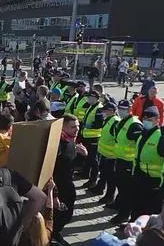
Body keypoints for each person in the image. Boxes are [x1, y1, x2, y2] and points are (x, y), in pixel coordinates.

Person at [52, 114, 87, 245]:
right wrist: (54, 194)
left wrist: (83, 156)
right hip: (57, 187)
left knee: (67, 214)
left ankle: (56, 232)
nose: (77, 129)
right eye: (73, 127)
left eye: (78, 126)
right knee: (57, 215)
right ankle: (51, 235)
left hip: (68, 184)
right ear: (63, 127)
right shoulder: (57, 145)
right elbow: (50, 171)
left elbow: (73, 165)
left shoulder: (72, 141)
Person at [111, 99, 144, 224]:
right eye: (120, 108)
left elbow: (139, 144)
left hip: (129, 162)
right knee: (120, 184)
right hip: (120, 159)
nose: (121, 111)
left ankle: (124, 214)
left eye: (124, 109)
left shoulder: (135, 124)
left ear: (130, 110)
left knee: (126, 190)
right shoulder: (123, 121)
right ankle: (119, 203)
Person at [94, 102, 120, 203]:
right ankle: (100, 188)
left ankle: (109, 196)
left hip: (111, 155)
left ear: (111, 111)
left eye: (105, 111)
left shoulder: (115, 122)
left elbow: (117, 139)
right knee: (104, 173)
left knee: (110, 178)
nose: (103, 112)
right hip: (105, 153)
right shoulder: (108, 120)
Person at [80, 90, 104, 189]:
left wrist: (90, 125)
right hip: (88, 136)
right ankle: (87, 176)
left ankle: (93, 180)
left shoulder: (99, 108)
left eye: (90, 97)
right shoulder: (91, 106)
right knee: (89, 158)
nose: (88, 99)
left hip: (94, 137)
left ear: (95, 98)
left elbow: (100, 123)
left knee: (94, 160)